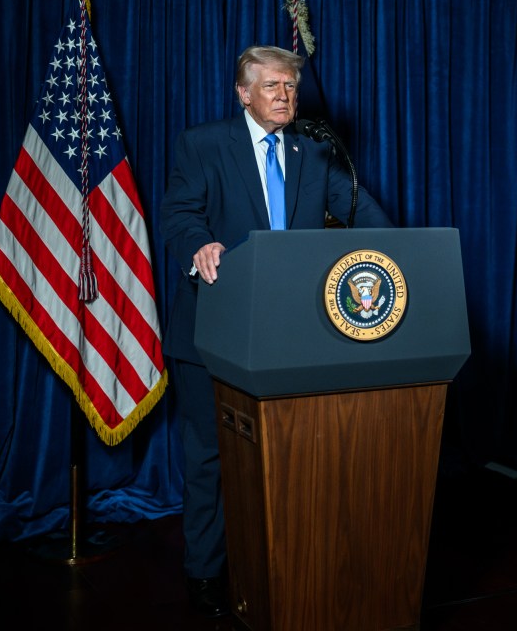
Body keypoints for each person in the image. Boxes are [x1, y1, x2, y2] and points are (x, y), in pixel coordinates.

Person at [159, 44, 395, 617]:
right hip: (213, 330)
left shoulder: (313, 150)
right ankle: (205, 574)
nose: (285, 96)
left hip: (291, 335)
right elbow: (179, 215)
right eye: (271, 86)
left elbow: (361, 210)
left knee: (291, 455)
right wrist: (200, 246)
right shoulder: (202, 143)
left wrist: (400, 253)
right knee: (211, 459)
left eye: (290, 86)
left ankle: (282, 562)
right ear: (244, 93)